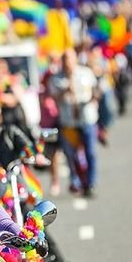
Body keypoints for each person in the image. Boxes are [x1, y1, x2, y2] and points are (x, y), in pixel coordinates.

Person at [0, 96, 75, 262]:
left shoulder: (9, 132)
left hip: (13, 191)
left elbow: (27, 148)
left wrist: (34, 156)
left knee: (34, 224)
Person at [49, 48, 99, 197]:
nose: (67, 62)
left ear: (75, 59)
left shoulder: (86, 73)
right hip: (68, 123)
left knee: (90, 153)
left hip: (87, 119)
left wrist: (94, 97)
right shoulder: (56, 79)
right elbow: (53, 97)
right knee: (71, 154)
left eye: (70, 59)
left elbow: (96, 90)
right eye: (64, 59)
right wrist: (65, 91)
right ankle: (76, 180)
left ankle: (91, 183)